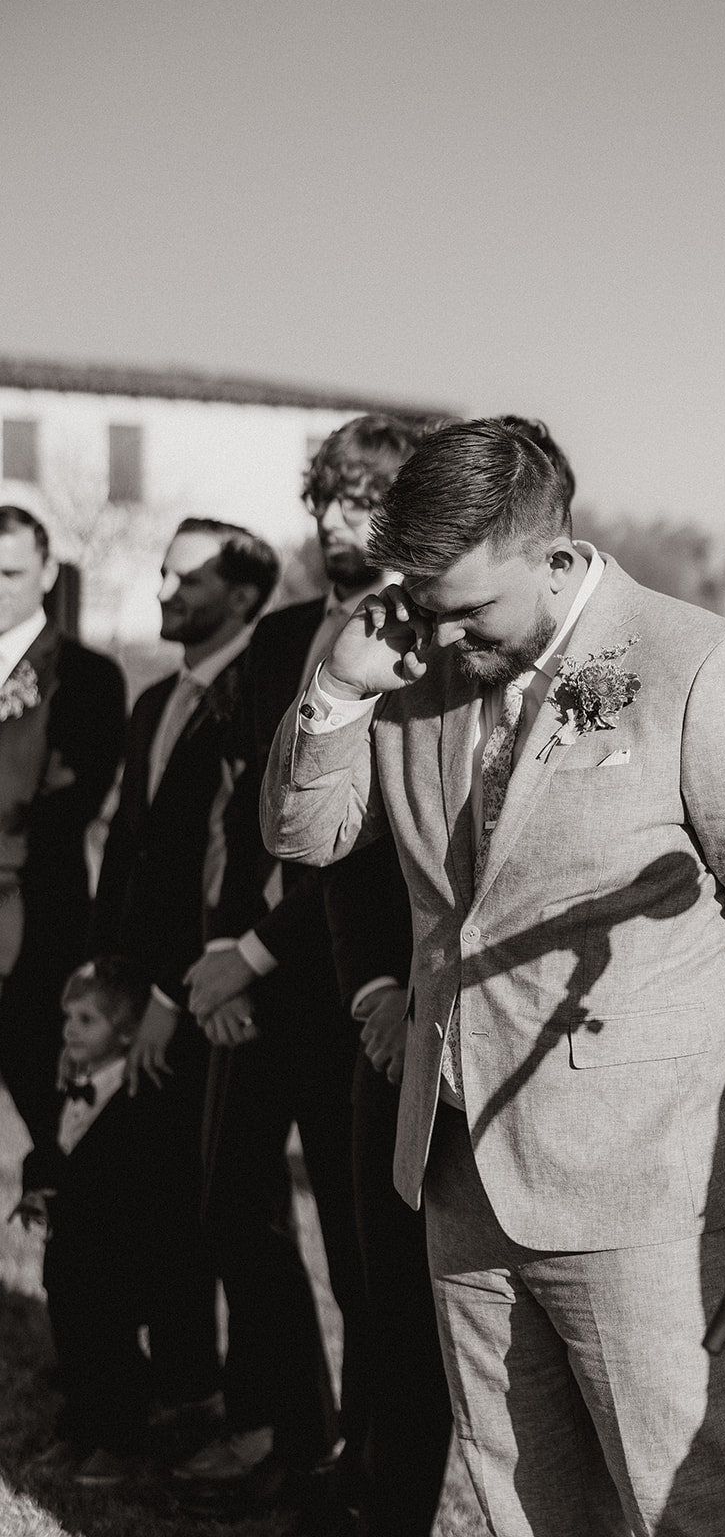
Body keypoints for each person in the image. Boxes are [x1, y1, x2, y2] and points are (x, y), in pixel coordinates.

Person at [261, 418, 725, 1537]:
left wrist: (710, 1047)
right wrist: (338, 693)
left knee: (680, 1503)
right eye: (425, 602)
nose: (443, 633)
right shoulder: (405, 660)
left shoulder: (699, 666)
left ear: (551, 553)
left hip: (651, 1177)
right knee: (523, 1505)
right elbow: (306, 840)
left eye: (470, 608)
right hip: (456, 1165)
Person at [181, 413, 453, 1530]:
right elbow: (277, 822)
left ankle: (380, 1484)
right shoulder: (293, 630)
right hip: (300, 978)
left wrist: (259, 953)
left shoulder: (435, 635)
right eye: (323, 502)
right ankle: (324, 1459)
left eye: (356, 500)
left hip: (377, 980)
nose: (332, 521)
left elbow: (376, 843)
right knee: (252, 1219)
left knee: (378, 1275)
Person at [90, 516, 282, 1463]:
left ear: (243, 595)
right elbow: (137, 847)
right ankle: (185, 1388)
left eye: (186, 579)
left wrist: (179, 990)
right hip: (146, 990)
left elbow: (229, 860)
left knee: (231, 1212)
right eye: (161, 574)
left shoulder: (259, 693)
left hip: (222, 988)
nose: (164, 591)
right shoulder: (156, 698)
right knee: (161, 1201)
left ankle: (256, 1420)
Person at [15, 957, 216, 1488]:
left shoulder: (141, 1095)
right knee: (73, 1346)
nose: (70, 1029)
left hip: (114, 1260)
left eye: (87, 1020)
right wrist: (36, 1188)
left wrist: (73, 1198)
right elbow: (50, 1151)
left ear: (126, 1031)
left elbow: (128, 1181)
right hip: (69, 1258)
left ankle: (121, 1443)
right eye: (69, 1017)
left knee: (111, 1352)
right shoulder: (69, 1084)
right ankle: (78, 1429)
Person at [0, 506, 125, 1151]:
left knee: (55, 1125)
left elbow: (66, 805)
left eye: (9, 573)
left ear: (47, 572)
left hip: (32, 925)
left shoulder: (86, 677)